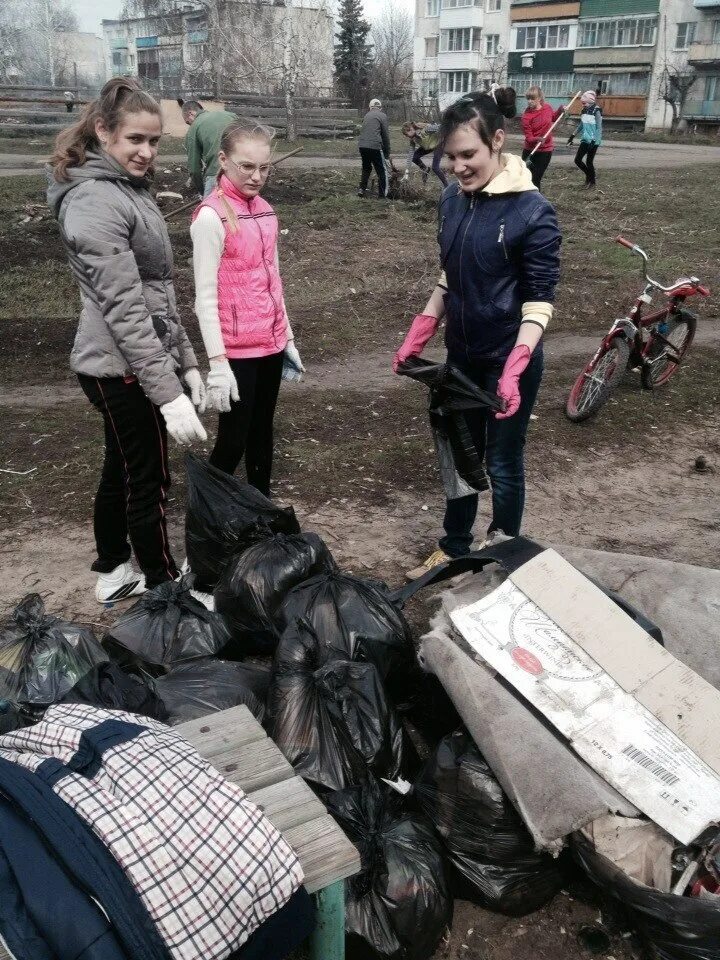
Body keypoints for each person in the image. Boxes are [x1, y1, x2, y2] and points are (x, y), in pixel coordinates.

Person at [47, 77, 208, 604]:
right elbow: (125, 309)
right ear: (103, 132)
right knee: (151, 478)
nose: (146, 151)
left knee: (122, 467)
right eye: (135, 139)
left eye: (155, 141)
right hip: (118, 365)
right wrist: (167, 393)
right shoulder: (94, 201)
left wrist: (186, 362)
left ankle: (114, 570)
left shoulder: (126, 191)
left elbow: (158, 292)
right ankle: (164, 588)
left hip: (133, 359)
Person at [392, 87, 561, 579]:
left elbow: (539, 300)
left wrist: (515, 365)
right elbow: (452, 274)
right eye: (450, 157)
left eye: (469, 155)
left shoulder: (533, 213)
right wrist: (421, 329)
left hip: (510, 360)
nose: (458, 167)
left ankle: (501, 552)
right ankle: (454, 544)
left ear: (498, 142)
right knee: (459, 458)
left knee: (502, 462)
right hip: (462, 355)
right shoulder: (452, 199)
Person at [190, 121, 304, 495]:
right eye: (247, 166)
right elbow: (204, 298)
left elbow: (274, 279)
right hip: (236, 351)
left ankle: (261, 511)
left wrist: (285, 336)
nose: (257, 176)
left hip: (269, 344)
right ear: (223, 160)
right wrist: (218, 363)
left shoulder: (267, 211)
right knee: (233, 441)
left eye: (265, 167)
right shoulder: (211, 216)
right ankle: (206, 521)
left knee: (261, 433)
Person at [180, 99, 238, 198]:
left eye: (187, 122)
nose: (189, 125)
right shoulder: (230, 115)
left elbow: (194, 170)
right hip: (240, 170)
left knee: (209, 210)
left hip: (216, 173)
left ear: (191, 113)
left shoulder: (194, 129)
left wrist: (202, 191)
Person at [520, 85, 565, 189]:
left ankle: (536, 204)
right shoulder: (526, 116)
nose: (529, 101)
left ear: (539, 98)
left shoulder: (547, 107)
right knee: (525, 179)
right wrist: (538, 139)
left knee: (535, 179)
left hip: (545, 151)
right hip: (530, 151)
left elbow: (553, 117)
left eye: (532, 98)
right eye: (528, 99)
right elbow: (529, 138)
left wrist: (560, 110)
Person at [357, 98, 392, 198]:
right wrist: (387, 152)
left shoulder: (366, 115)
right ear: (380, 107)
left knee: (366, 167)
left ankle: (362, 189)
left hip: (362, 146)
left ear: (370, 107)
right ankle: (383, 195)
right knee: (382, 171)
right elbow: (385, 135)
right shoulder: (383, 116)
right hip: (375, 146)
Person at [568, 90, 603, 189]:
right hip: (585, 139)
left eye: (584, 103)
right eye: (582, 103)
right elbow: (581, 125)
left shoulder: (597, 111)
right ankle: (590, 178)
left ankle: (591, 182)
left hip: (594, 141)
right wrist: (572, 135)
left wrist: (595, 141)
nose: (583, 105)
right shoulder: (584, 110)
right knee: (578, 160)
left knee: (588, 162)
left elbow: (599, 128)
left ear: (590, 101)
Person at [401, 120, 448, 187]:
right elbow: (410, 156)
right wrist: (406, 173)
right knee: (414, 157)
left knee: (435, 167)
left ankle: (446, 185)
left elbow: (442, 127)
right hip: (428, 146)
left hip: (438, 144)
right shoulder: (413, 139)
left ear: (411, 128)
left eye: (407, 133)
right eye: (405, 134)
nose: (407, 136)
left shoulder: (426, 129)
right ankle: (424, 169)